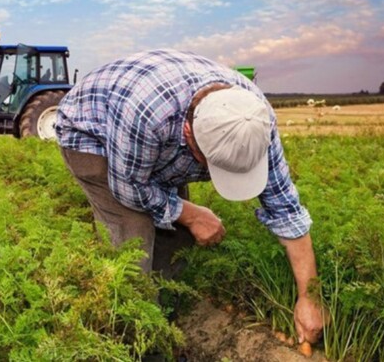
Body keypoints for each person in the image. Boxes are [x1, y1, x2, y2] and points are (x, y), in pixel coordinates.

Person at [55, 49, 325, 344]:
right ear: (189, 134)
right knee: (133, 244)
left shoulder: (254, 120)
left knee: (177, 238)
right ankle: (133, 338)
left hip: (153, 139)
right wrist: (193, 214)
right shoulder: (147, 115)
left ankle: (165, 316)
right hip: (93, 135)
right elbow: (129, 188)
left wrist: (309, 297)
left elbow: (286, 210)